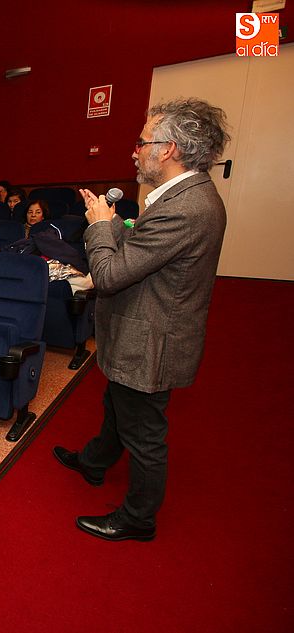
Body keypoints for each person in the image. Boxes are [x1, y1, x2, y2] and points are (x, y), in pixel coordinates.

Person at [53, 98, 230, 542]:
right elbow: (139, 256)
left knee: (144, 435)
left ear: (168, 149)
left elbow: (111, 275)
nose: (134, 150)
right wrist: (114, 225)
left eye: (141, 141)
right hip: (141, 327)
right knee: (119, 407)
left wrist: (98, 225)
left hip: (150, 339)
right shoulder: (183, 193)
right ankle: (95, 463)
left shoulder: (184, 207)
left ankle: (138, 518)